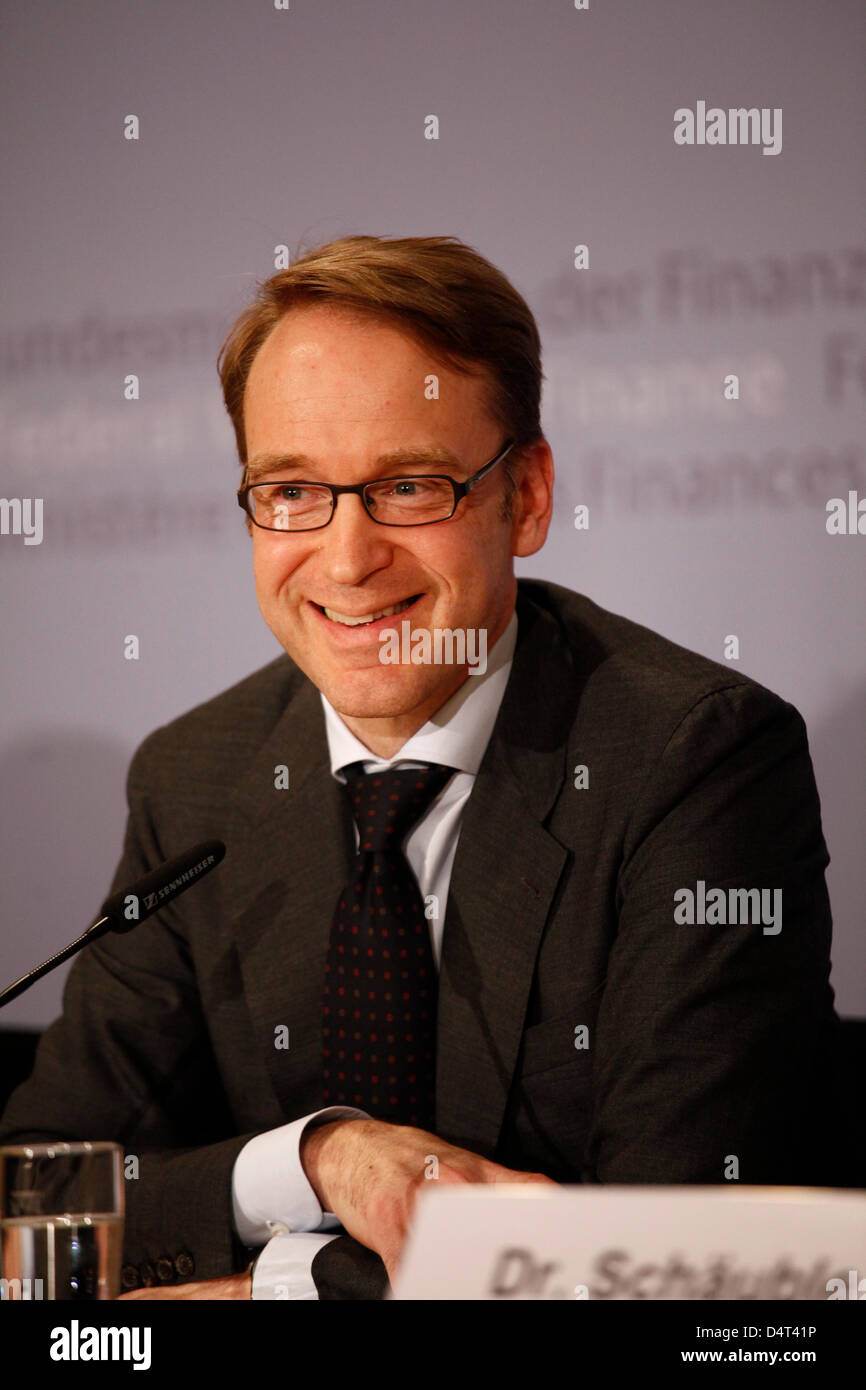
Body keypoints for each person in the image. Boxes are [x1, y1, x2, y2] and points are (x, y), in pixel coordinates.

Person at [0, 235, 847, 1301]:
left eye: (408, 485)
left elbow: (679, 1267)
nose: (346, 558)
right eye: (291, 490)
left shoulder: (691, 762)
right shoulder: (195, 777)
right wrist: (314, 1160)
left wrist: (283, 1284)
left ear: (527, 496)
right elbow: (42, 1212)